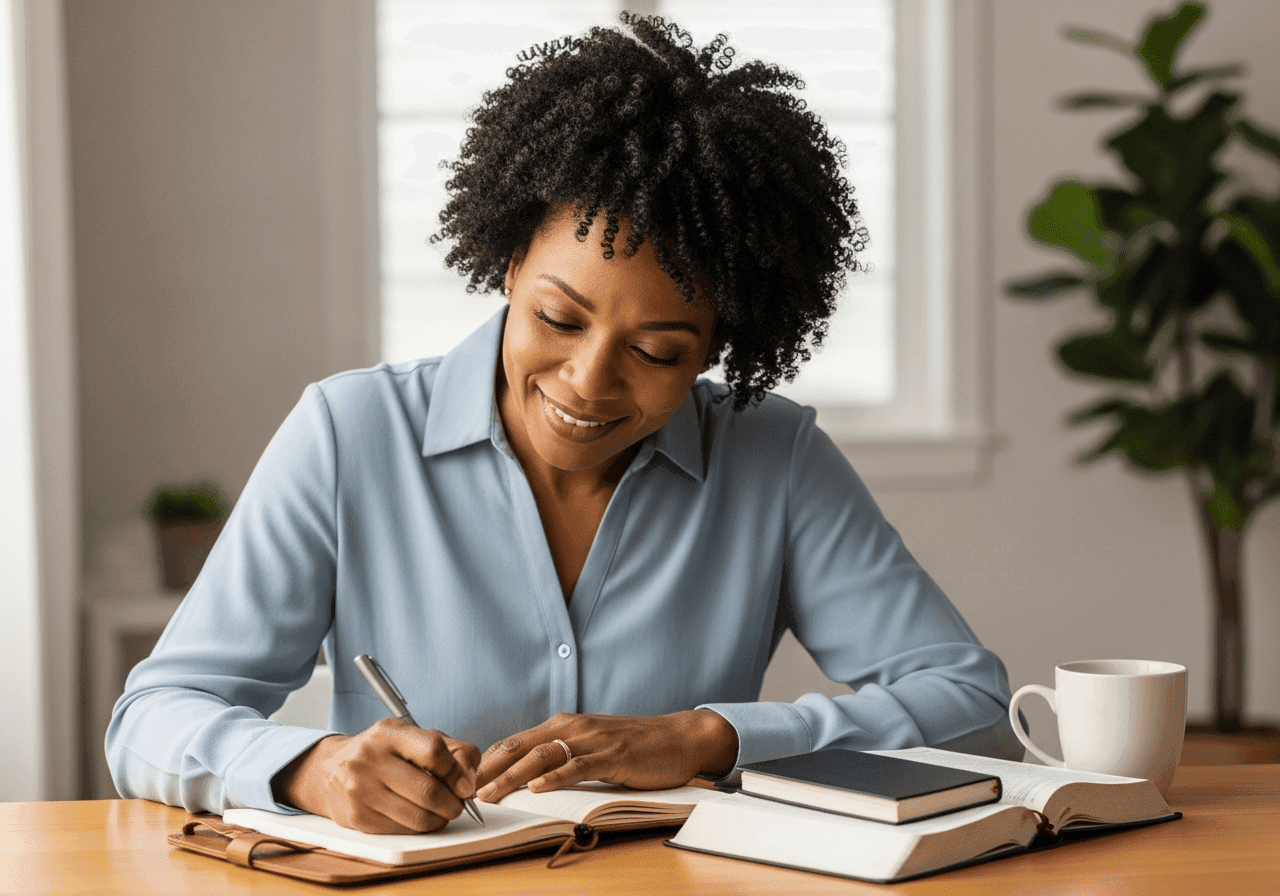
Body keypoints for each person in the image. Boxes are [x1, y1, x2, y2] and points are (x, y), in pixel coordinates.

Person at [107, 13, 1023, 835]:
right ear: (509, 264)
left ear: (717, 345)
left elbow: (975, 707)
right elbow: (152, 718)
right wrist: (314, 770)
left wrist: (706, 738)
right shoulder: (350, 435)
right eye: (557, 318)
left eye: (657, 351)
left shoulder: (773, 458)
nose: (587, 383)